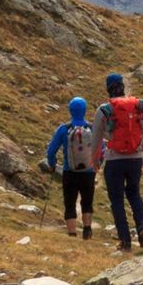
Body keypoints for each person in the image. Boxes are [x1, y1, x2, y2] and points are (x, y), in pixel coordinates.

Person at [92, 72, 143, 251]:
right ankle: (142, 227)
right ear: (123, 86)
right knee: (134, 193)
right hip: (135, 158)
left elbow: (96, 138)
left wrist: (95, 160)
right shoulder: (138, 107)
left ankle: (125, 240)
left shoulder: (104, 110)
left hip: (114, 160)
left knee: (116, 199)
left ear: (108, 89)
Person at [43, 96, 101, 239]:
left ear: (70, 110)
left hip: (69, 171)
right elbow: (102, 149)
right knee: (87, 201)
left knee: (69, 202)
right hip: (88, 172)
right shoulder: (92, 128)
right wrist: (96, 164)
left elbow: (51, 151)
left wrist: (52, 164)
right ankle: (87, 230)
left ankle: (72, 234)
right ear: (85, 110)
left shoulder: (64, 129)